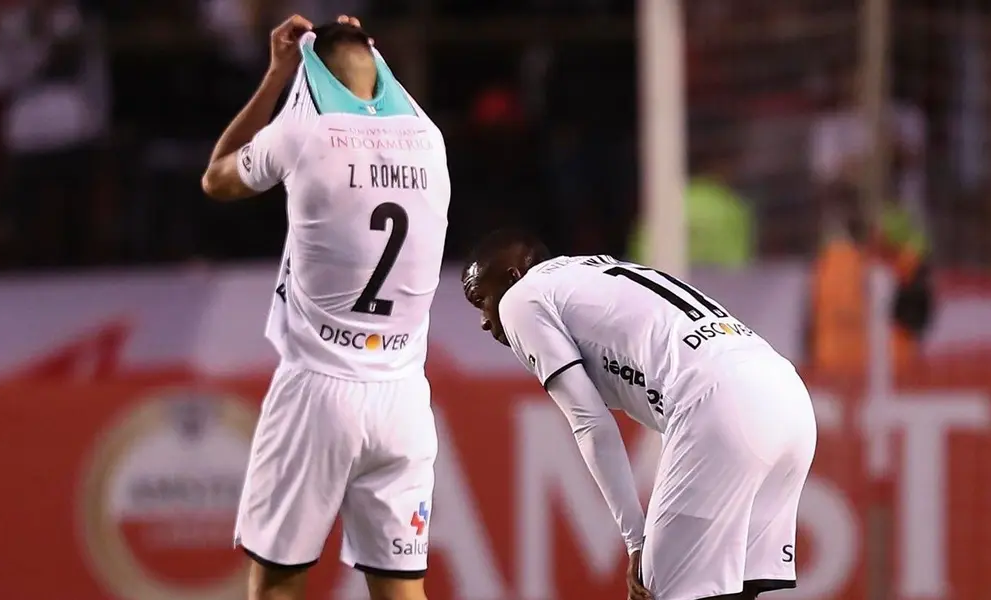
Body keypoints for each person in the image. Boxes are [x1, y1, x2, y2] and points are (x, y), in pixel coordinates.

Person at [202, 15, 450, 600]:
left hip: (319, 390)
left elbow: (217, 177)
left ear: (314, 75)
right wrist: (362, 48)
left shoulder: (304, 131)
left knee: (277, 586)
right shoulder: (430, 137)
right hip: (404, 399)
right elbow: (377, 93)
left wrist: (277, 74)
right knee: (402, 592)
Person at [461, 230, 817, 600]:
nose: (485, 320)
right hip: (787, 394)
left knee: (661, 591)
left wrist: (636, 540)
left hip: (720, 402)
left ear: (512, 277)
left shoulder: (520, 299)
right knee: (736, 590)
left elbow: (591, 424)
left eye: (480, 300)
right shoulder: (595, 271)